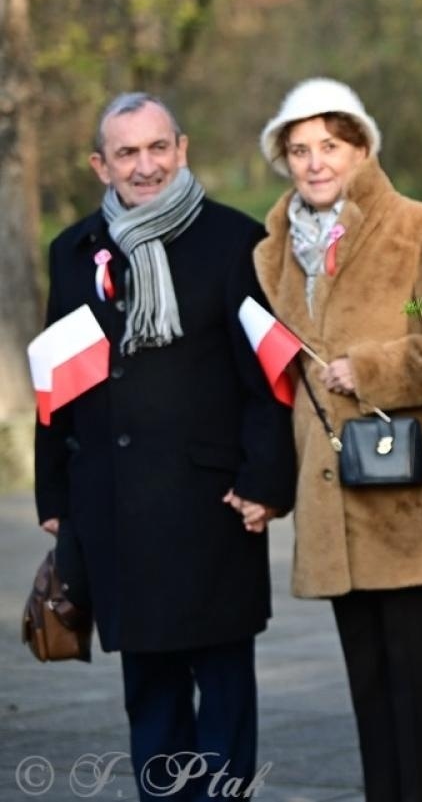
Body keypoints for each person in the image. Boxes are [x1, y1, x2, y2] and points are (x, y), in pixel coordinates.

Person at [33, 93, 296, 801]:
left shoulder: (237, 241)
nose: (144, 165)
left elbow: (268, 375)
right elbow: (56, 376)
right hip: (114, 504)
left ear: (181, 148)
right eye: (127, 152)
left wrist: (268, 479)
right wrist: (54, 493)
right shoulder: (73, 250)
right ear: (101, 164)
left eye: (157, 148)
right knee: (149, 689)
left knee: (224, 684)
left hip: (212, 502)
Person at [255, 78, 422, 801]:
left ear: (362, 146)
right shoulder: (274, 251)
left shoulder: (421, 224)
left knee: (418, 707)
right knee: (368, 700)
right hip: (331, 505)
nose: (315, 162)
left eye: (330, 144)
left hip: (404, 501)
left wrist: (376, 368)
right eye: (299, 149)